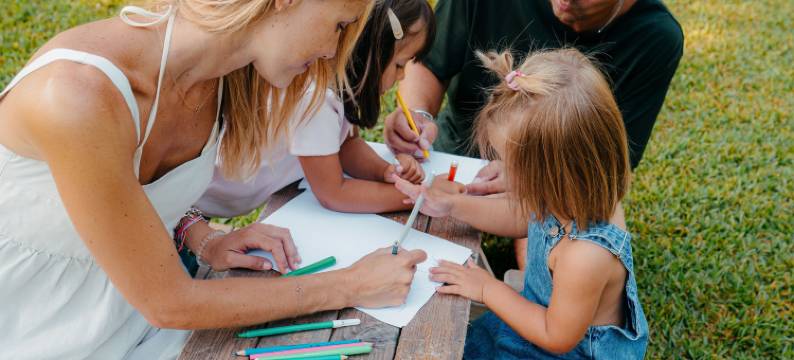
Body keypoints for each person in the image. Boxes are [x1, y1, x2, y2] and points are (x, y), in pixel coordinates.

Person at [0, 1, 429, 359]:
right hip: (39, 335)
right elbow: (168, 303)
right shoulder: (76, 95)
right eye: (339, 26)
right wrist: (349, 284)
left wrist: (201, 236)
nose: (333, 51)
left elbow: (133, 199)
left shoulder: (224, 79)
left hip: (130, 324)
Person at [394, 48, 648, 358]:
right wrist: (455, 207)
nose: (499, 170)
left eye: (507, 162)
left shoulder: (585, 256)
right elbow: (522, 218)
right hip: (532, 322)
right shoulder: (566, 197)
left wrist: (487, 288)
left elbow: (556, 337)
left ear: (552, 174)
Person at [196, 0, 436, 230]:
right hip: (198, 202)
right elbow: (334, 193)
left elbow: (347, 145)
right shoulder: (316, 99)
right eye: (400, 65)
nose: (402, 77)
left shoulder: (336, 86)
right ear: (373, 51)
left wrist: (385, 171)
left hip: (220, 200)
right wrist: (419, 197)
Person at [384, 0, 683, 171]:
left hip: (556, 182)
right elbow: (428, 62)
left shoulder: (655, 37)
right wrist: (418, 116)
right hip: (458, 154)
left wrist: (527, 188)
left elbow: (611, 165)